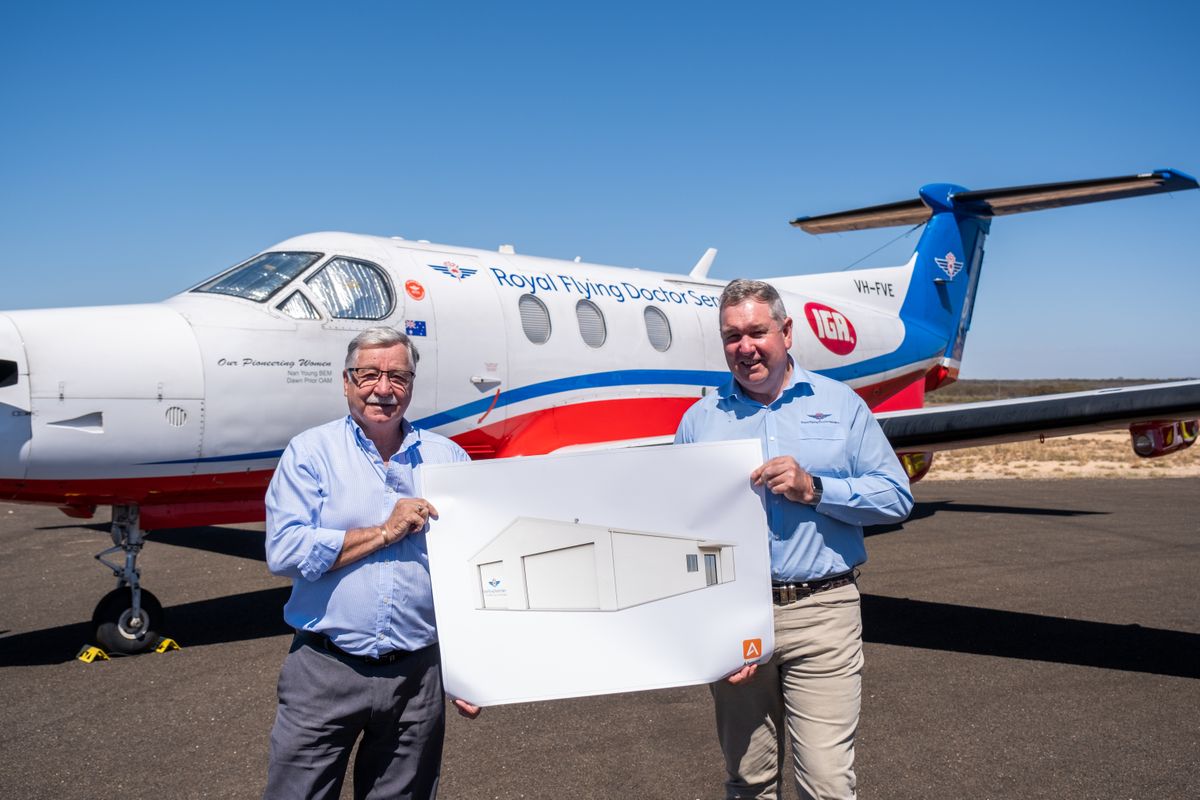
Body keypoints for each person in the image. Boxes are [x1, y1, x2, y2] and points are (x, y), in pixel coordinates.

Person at [675, 279, 913, 800]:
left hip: (822, 610)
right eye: (732, 336)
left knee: (826, 783)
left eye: (757, 332)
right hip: (737, 614)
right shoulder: (699, 422)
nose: (745, 347)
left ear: (786, 332)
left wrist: (816, 489)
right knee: (749, 781)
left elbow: (896, 497)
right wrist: (710, 626)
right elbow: (686, 533)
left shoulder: (842, 405)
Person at [263, 326, 478, 800]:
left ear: (412, 384)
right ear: (346, 382)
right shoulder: (310, 453)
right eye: (369, 375)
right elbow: (285, 550)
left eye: (398, 376)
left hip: (417, 677)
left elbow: (471, 568)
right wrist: (384, 532)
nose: (384, 388)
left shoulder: (447, 458)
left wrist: (472, 667)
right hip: (325, 669)